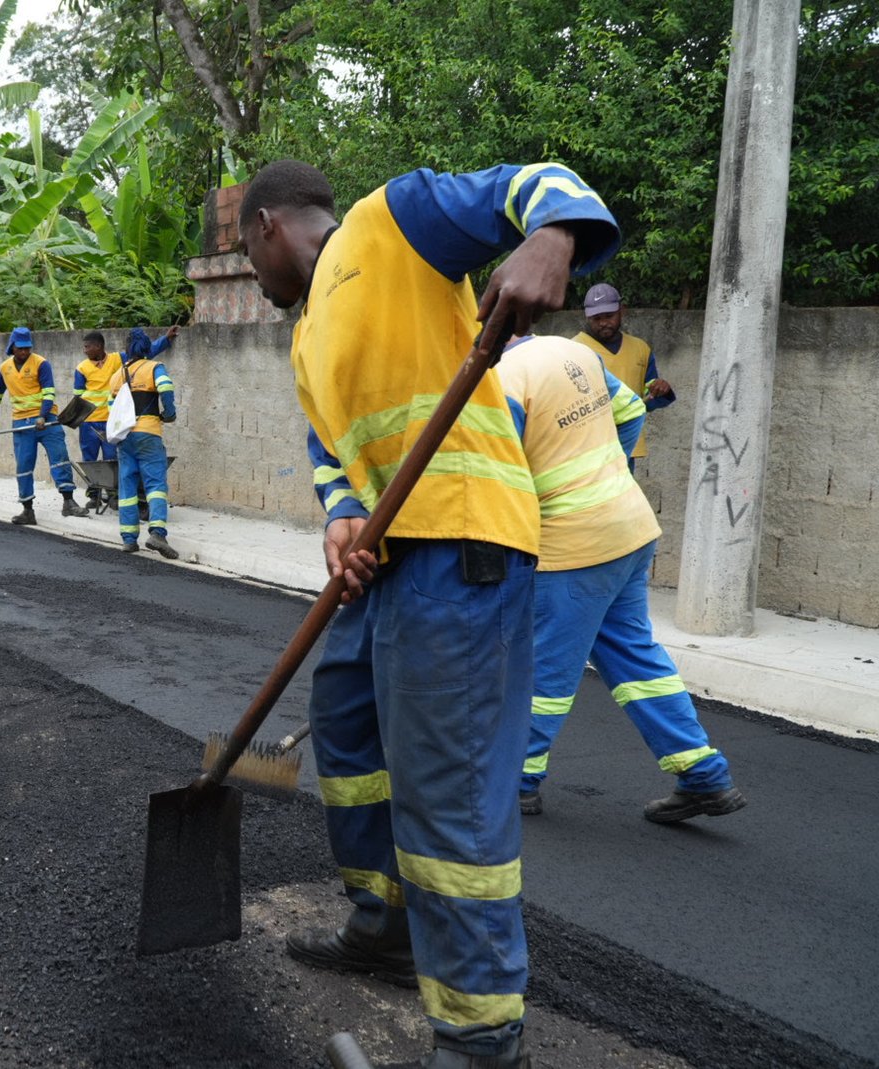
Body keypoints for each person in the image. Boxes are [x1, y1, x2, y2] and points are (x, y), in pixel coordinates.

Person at [241, 159, 619, 1069]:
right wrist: (340, 515)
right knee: (345, 723)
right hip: (390, 562)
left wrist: (551, 236)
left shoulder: (388, 223)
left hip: (462, 542)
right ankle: (388, 922)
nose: (254, 280)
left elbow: (537, 181)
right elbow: (332, 447)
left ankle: (483, 1037)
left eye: (247, 259)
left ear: (264, 230)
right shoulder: (305, 341)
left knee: (445, 794)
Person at [495, 333, 744, 823]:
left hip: (575, 545)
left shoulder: (501, 382)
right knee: (635, 658)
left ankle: (518, 781)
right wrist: (607, 475)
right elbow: (631, 412)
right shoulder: (574, 353)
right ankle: (703, 774)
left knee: (546, 668)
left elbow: (499, 482)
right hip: (628, 527)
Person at [0, 326, 87, 525]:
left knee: (60, 459)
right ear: (12, 347)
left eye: (27, 348)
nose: (24, 352)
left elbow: (48, 392)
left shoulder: (41, 364)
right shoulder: (5, 368)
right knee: (24, 466)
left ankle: (68, 502)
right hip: (21, 423)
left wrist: (42, 415)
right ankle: (27, 510)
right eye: (20, 348)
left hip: (47, 421)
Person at [572, 283, 674, 472]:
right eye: (597, 318)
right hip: (588, 447)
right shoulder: (573, 350)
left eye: (609, 316)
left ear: (622, 311)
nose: (603, 322)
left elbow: (645, 397)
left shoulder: (640, 349)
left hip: (627, 441)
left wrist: (659, 389)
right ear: (587, 317)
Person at [108, 325, 180, 558]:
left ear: (127, 350)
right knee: (155, 485)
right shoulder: (154, 367)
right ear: (147, 347)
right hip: (148, 433)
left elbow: (114, 409)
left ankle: (129, 539)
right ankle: (157, 533)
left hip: (125, 437)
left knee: (127, 487)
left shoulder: (117, 376)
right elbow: (166, 387)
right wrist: (169, 412)